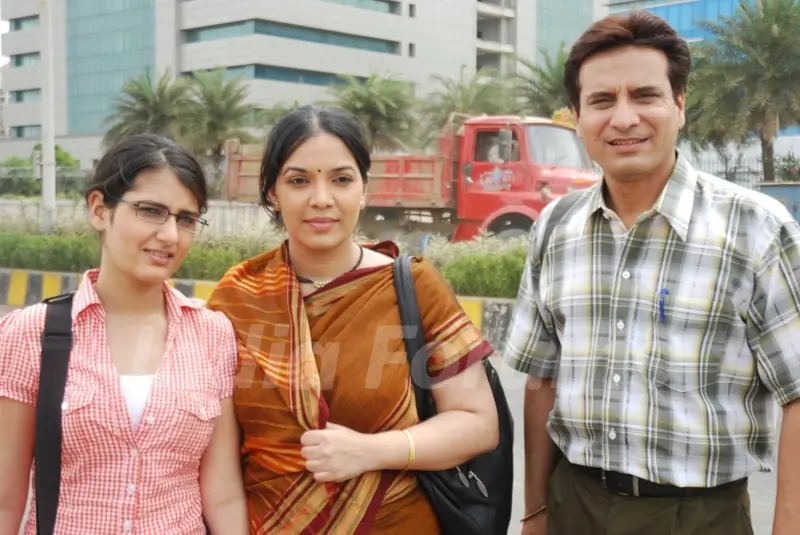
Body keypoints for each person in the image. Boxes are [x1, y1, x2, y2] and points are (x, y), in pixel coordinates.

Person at [503, 11, 800, 535]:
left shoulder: (755, 228)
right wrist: (535, 514)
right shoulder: (556, 226)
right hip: (576, 503)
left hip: (701, 516)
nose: (623, 118)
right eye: (601, 100)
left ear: (679, 105)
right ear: (576, 115)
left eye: (644, 95)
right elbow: (541, 382)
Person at [205, 104, 500, 534]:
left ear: (363, 188)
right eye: (299, 180)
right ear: (272, 192)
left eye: (341, 179)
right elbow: (220, 461)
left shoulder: (413, 287)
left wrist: (372, 450)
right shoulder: (239, 297)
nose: (321, 198)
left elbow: (477, 423)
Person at [0, 134, 249, 534]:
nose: (170, 235)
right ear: (100, 209)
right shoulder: (33, 334)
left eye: (186, 219)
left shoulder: (212, 335)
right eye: (151, 211)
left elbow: (222, 494)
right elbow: (5, 501)